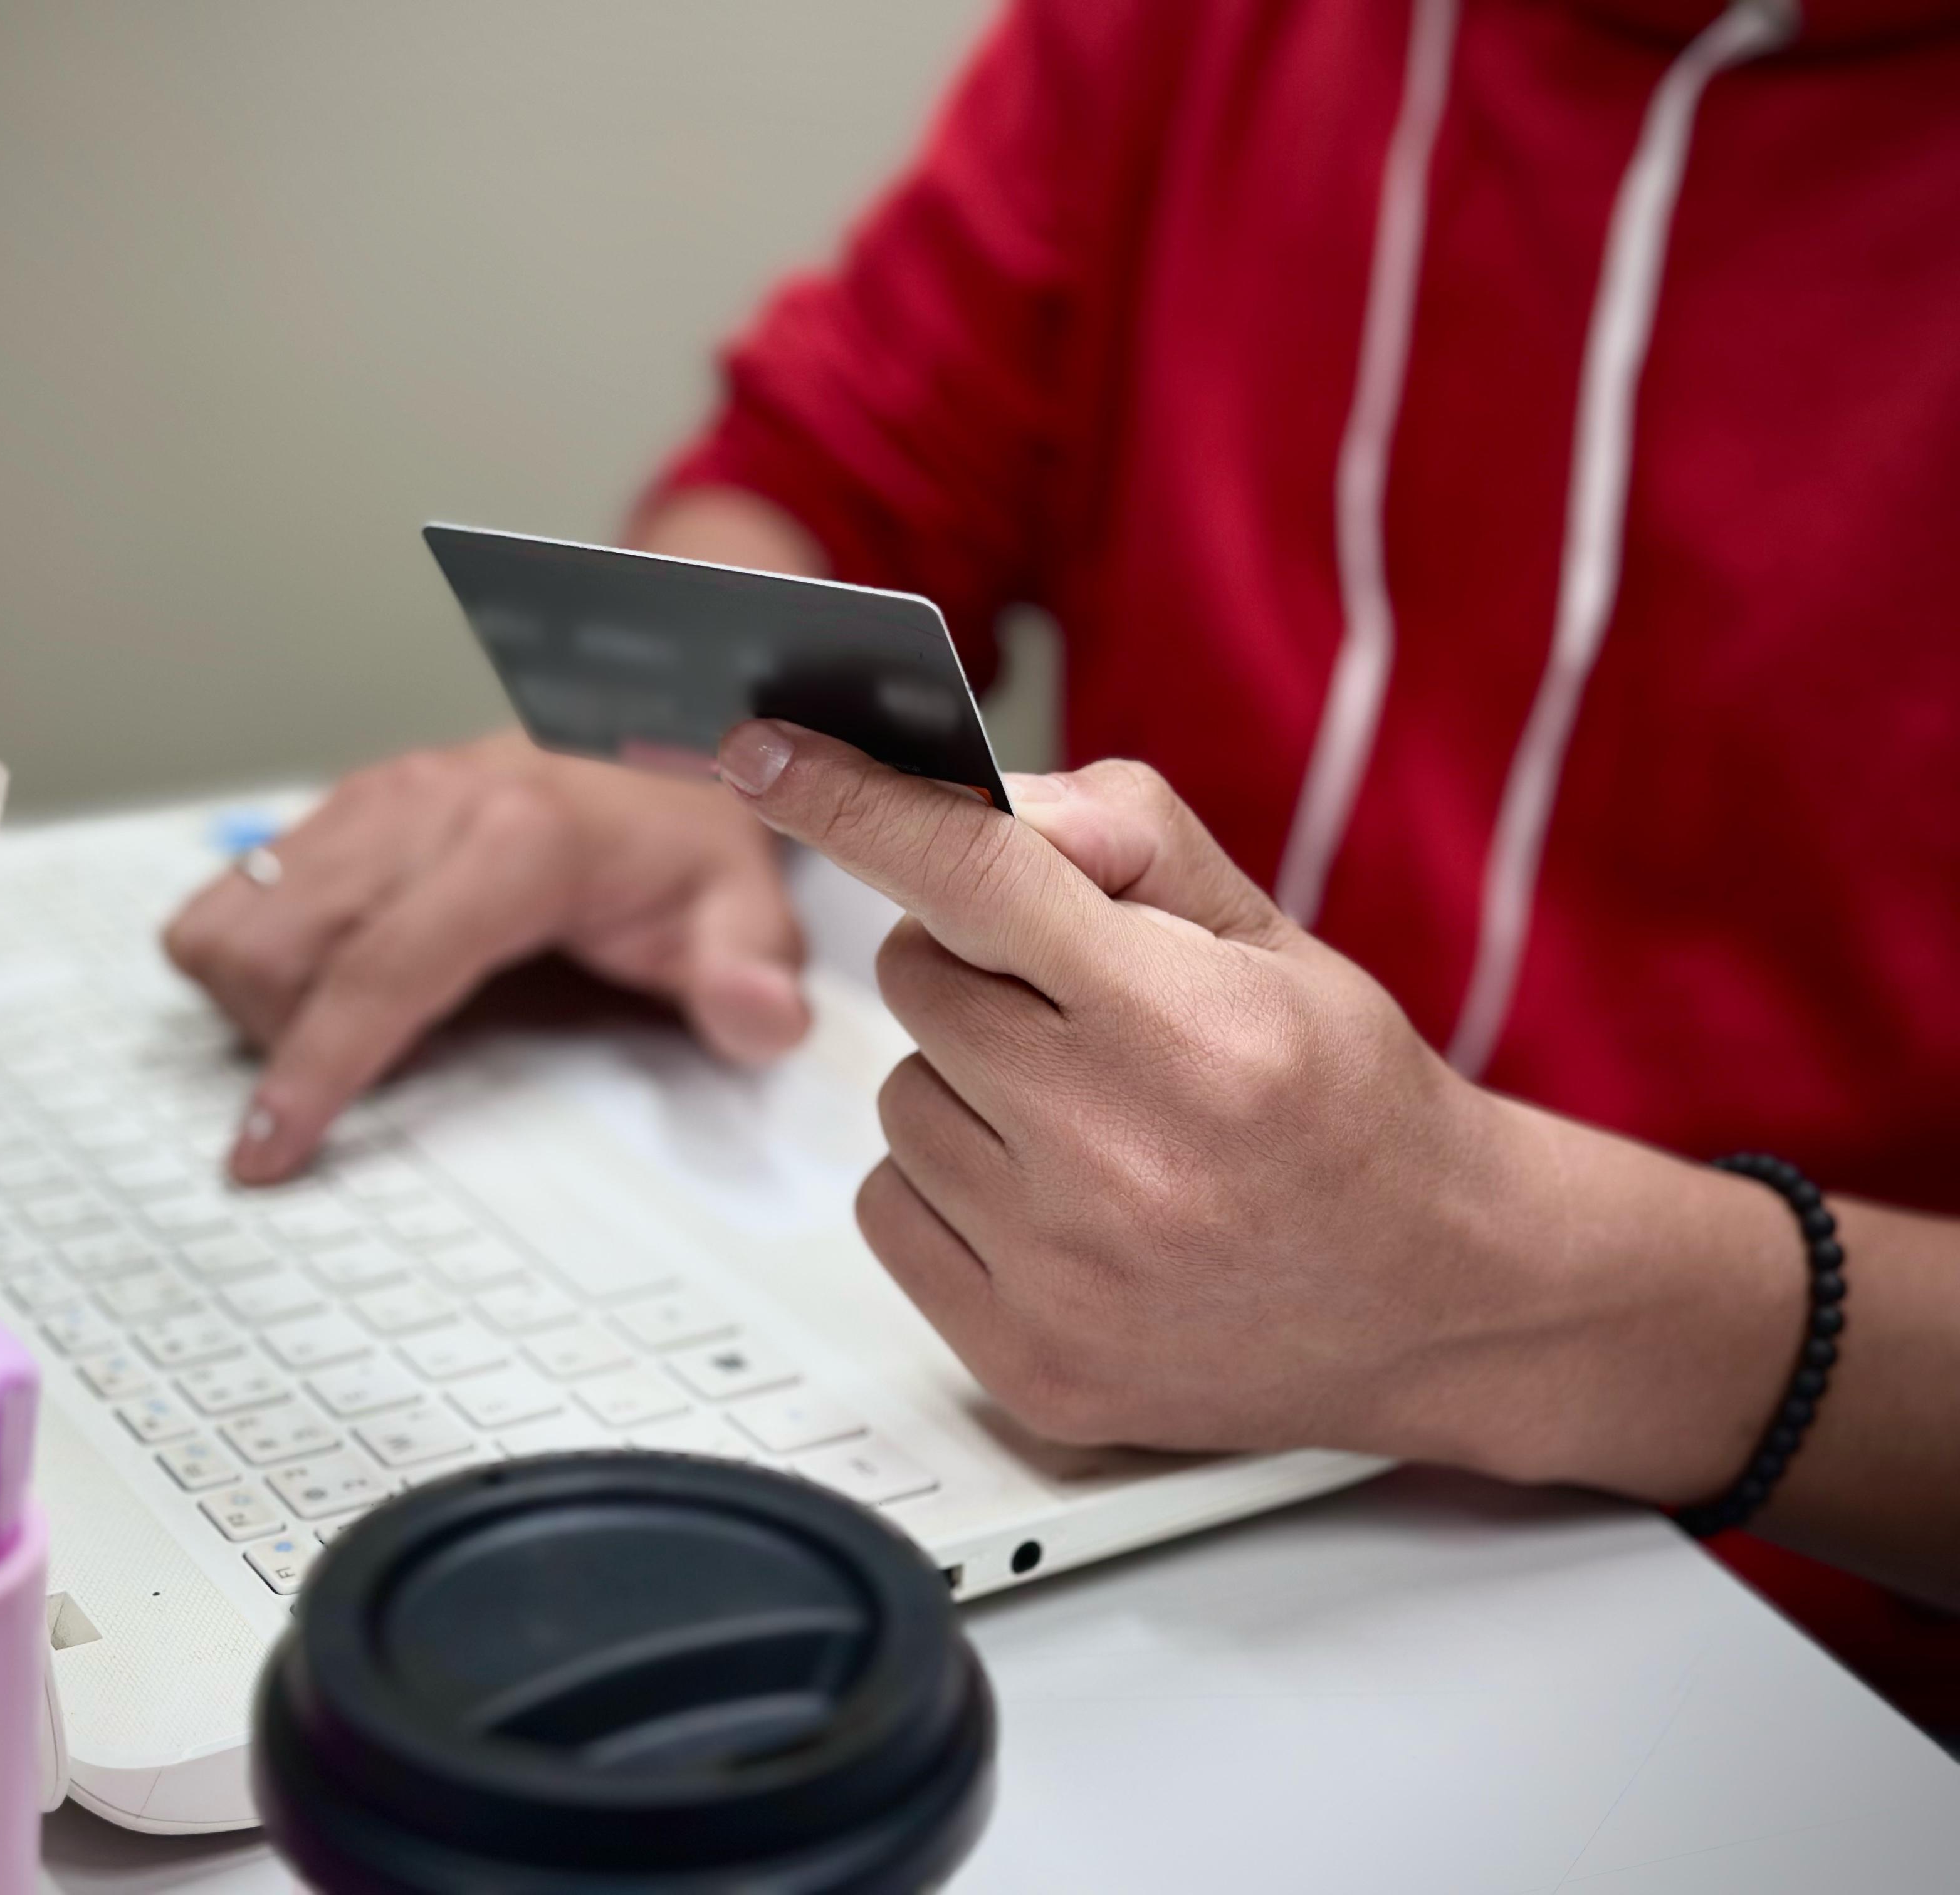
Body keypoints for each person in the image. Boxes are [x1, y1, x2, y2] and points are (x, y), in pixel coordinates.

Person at [164, 0, 1960, 1720]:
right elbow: (833, 463)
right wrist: (666, 759)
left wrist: (1504, 1287)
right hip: (1093, 1482)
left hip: (1803, 1660)